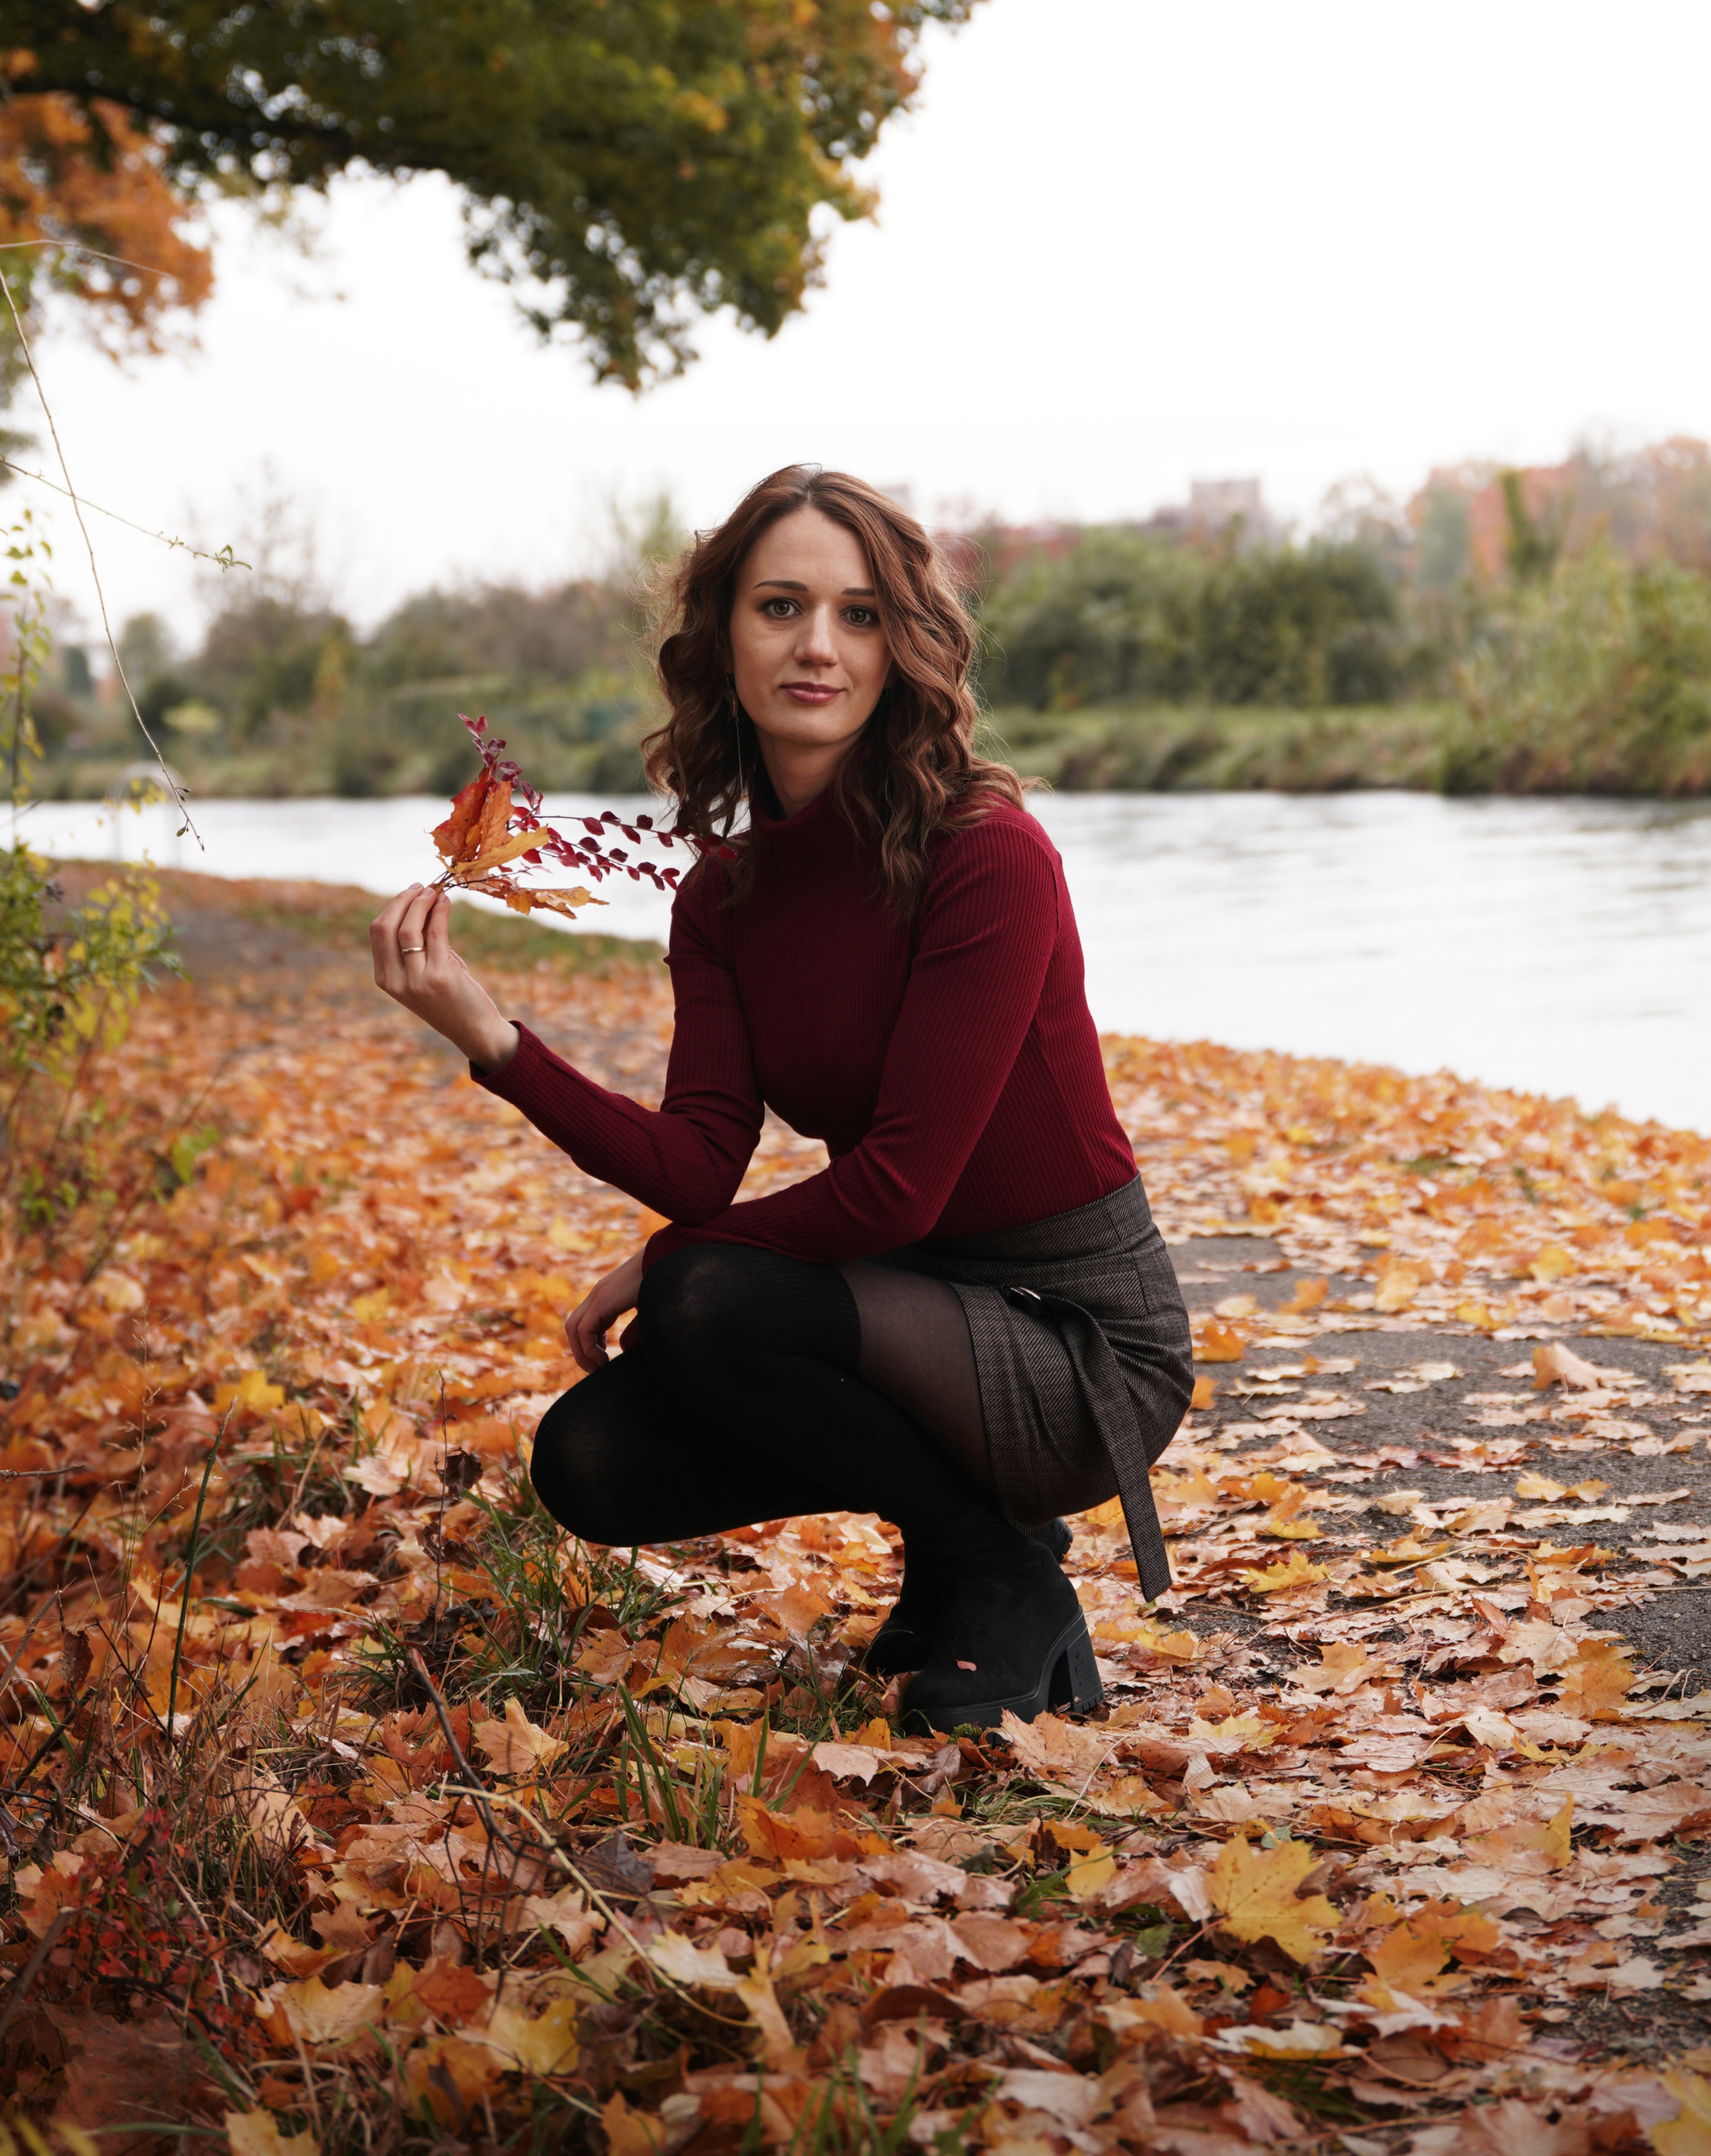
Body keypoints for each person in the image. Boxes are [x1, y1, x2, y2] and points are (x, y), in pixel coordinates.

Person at [370, 464, 1194, 1730]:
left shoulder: (989, 853)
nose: (819, 644)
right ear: (724, 640)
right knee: (588, 1459)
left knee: (708, 1293)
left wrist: (678, 1260)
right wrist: (493, 1037)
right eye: (782, 606)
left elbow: (898, 1187)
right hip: (920, 1306)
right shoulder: (725, 899)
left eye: (861, 614)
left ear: (905, 646)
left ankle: (999, 1579)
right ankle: (974, 1545)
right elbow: (703, 1158)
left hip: (1077, 1341)